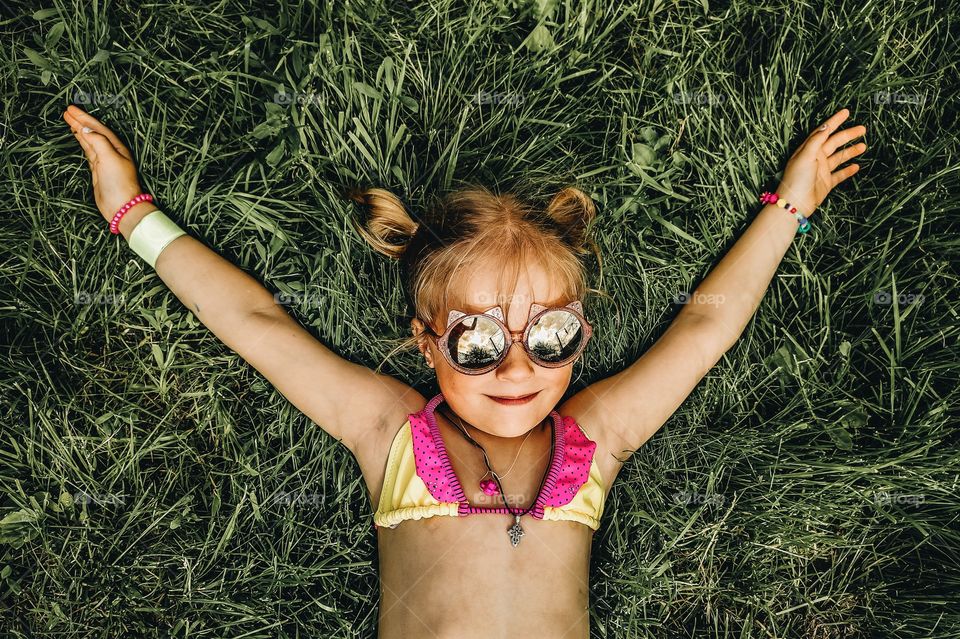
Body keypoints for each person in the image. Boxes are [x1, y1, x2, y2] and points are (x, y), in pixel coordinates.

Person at [62, 104, 866, 638]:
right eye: (478, 343)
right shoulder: (389, 434)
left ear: (581, 332)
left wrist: (788, 205)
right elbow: (256, 324)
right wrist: (132, 214)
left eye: (549, 335)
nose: (516, 367)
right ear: (425, 342)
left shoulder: (596, 435)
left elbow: (705, 325)